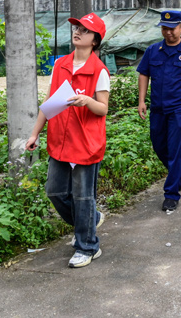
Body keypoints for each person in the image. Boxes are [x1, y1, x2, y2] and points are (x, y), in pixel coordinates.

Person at [25, 13, 110, 268]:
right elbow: (49, 104)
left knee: (83, 196)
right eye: (76, 28)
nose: (78, 32)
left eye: (85, 30)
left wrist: (88, 101)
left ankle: (88, 246)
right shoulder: (60, 64)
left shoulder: (99, 71)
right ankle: (90, 220)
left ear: (95, 40)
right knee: (55, 191)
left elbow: (103, 109)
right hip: (59, 140)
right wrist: (34, 133)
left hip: (86, 142)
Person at [137, 10, 181, 212]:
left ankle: (171, 194)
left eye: (172, 28)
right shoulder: (153, 50)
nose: (168, 32)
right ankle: (178, 168)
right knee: (158, 145)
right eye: (165, 28)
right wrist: (142, 100)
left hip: (180, 109)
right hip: (158, 108)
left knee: (176, 149)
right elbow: (143, 74)